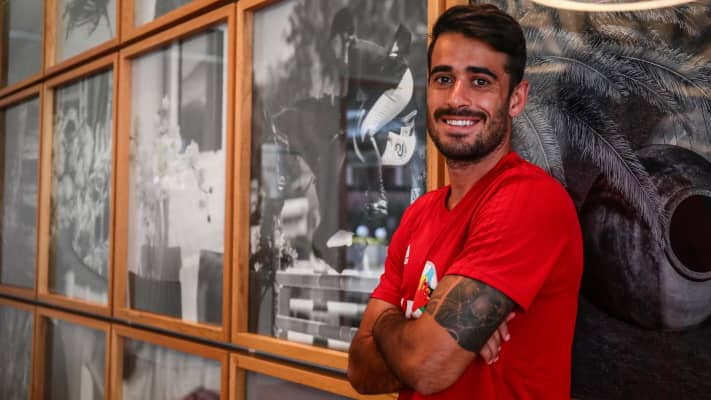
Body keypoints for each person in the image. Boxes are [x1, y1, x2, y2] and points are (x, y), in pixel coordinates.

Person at [347, 4, 583, 399]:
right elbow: (359, 369)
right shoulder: (419, 214)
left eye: (480, 81)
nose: (457, 98)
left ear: (516, 99)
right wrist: (431, 333)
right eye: (444, 78)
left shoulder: (529, 200)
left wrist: (388, 322)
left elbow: (425, 367)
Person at [329, 6, 415, 217]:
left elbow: (351, 97)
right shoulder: (354, 54)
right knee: (359, 127)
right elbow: (352, 99)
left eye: (334, 42)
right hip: (390, 85)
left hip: (398, 84)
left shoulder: (355, 51)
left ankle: (378, 195)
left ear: (344, 37)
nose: (333, 48)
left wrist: (337, 117)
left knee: (365, 129)